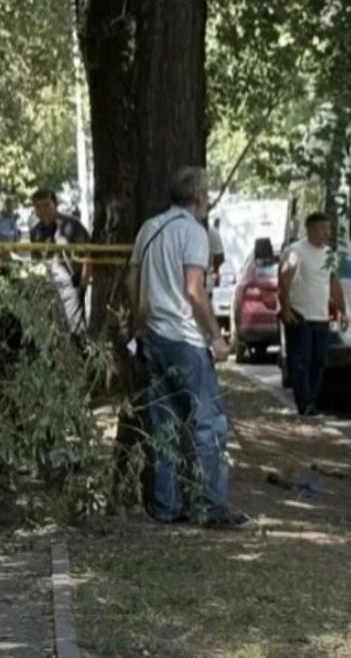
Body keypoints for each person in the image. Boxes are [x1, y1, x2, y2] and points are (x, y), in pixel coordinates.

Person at [126, 166, 248, 529]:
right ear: (198, 197)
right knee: (207, 422)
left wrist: (139, 323)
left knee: (163, 423)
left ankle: (165, 504)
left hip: (154, 335)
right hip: (184, 338)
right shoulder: (194, 232)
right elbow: (194, 289)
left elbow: (132, 280)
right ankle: (211, 506)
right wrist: (216, 336)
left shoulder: (149, 228)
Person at [279, 212, 348, 416]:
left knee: (319, 361)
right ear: (310, 230)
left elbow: (335, 284)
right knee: (301, 361)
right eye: (322, 229)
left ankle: (311, 401)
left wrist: (342, 311)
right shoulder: (296, 251)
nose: (326, 233)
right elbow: (284, 278)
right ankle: (304, 404)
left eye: (328, 229)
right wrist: (285, 308)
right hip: (299, 315)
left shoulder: (329, 254)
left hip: (321, 316)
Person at [29, 186, 92, 335]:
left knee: (76, 330)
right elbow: (36, 261)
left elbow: (88, 255)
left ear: (55, 204)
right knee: (55, 332)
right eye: (38, 207)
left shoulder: (72, 226)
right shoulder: (35, 232)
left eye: (46, 205)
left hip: (71, 286)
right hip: (48, 288)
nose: (43, 210)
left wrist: (83, 284)